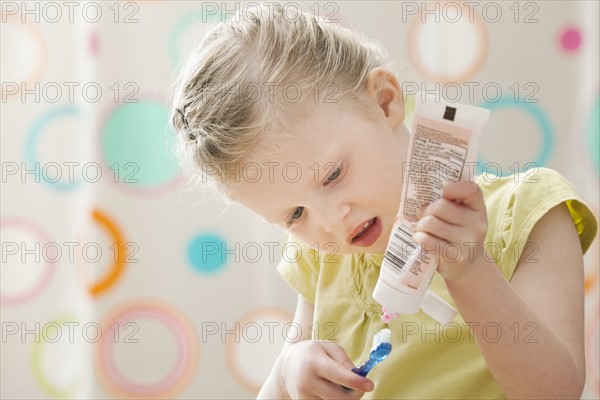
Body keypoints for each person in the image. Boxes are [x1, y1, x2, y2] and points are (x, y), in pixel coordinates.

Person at [170, 3, 598, 399]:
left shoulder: (527, 212)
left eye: (333, 175)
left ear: (385, 101)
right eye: (295, 214)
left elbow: (556, 390)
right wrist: (287, 375)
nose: (331, 221)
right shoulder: (320, 257)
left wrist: (471, 273)